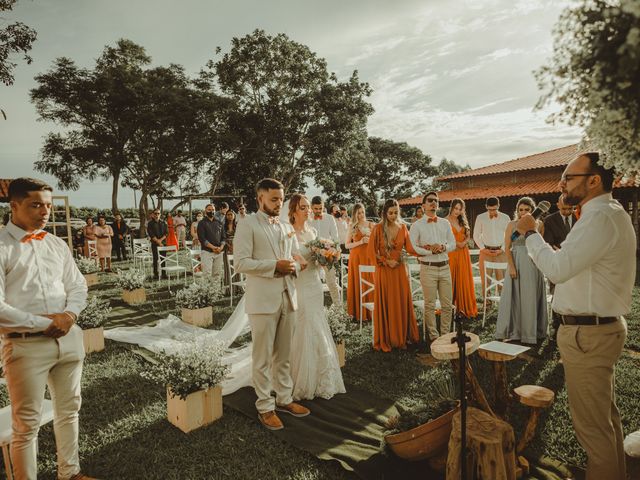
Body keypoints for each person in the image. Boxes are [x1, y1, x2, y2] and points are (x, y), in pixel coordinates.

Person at [515, 152, 634, 480]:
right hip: (598, 329)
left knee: (593, 432)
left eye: (568, 177)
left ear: (594, 180)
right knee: (606, 422)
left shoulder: (598, 217)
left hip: (588, 335)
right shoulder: (608, 214)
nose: (561, 183)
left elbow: (558, 269)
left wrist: (531, 234)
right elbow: (577, 265)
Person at [0, 178, 96, 480]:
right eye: (36, 204)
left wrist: (69, 315)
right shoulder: (2, 247)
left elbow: (77, 285)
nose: (45, 211)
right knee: (25, 426)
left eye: (48, 205)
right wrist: (46, 323)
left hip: (68, 340)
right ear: (14, 205)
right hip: (25, 346)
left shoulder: (56, 243)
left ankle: (70, 473)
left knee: (69, 411)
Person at [234, 178, 310, 431]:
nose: (279, 203)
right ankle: (265, 406)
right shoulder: (247, 225)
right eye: (274, 199)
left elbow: (295, 257)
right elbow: (241, 263)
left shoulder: (286, 225)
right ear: (260, 199)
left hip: (288, 296)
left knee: (284, 354)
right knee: (263, 357)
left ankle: (284, 398)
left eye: (281, 198)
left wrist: (296, 265)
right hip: (262, 300)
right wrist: (273, 267)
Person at [288, 193, 346, 400]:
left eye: (308, 207)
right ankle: (300, 377)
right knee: (303, 323)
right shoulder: (289, 233)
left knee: (317, 321)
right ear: (294, 210)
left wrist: (327, 257)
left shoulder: (313, 230)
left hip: (314, 282)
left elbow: (318, 257)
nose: (308, 210)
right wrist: (299, 264)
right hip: (300, 284)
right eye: (303, 207)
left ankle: (322, 374)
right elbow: (288, 261)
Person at [495, 197, 547, 345]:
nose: (523, 212)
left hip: (533, 263)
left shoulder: (539, 224)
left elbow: (540, 245)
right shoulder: (512, 224)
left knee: (530, 296)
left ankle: (532, 332)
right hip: (516, 262)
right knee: (515, 297)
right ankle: (515, 331)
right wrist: (511, 266)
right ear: (517, 211)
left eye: (527, 210)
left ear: (533, 210)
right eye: (521, 210)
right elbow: (507, 246)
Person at [369, 199, 419, 351]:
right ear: (385, 213)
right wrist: (385, 261)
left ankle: (402, 337)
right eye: (390, 213)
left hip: (399, 270)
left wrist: (427, 251)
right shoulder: (377, 228)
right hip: (384, 271)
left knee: (400, 301)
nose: (393, 215)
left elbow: (410, 248)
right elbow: (371, 252)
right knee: (387, 301)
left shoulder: (403, 227)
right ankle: (388, 338)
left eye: (396, 212)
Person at [409, 191, 456, 341]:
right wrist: (429, 251)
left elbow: (453, 244)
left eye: (435, 200)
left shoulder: (445, 223)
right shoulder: (416, 225)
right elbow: (413, 247)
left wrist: (442, 247)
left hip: (445, 267)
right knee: (429, 305)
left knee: (447, 305)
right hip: (428, 267)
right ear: (423, 206)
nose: (433, 203)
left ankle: (446, 336)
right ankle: (435, 338)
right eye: (430, 200)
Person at [543, 195, 578, 338]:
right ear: (557, 205)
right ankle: (557, 328)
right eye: (564, 209)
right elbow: (549, 243)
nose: (567, 212)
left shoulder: (580, 218)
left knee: (575, 296)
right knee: (557, 296)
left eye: (570, 209)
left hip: (577, 264)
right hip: (558, 263)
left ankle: (575, 327)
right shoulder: (549, 220)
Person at [473, 197, 510, 298]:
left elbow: (509, 235)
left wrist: (501, 249)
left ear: (498, 206)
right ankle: (487, 305)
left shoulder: (505, 217)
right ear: (486, 207)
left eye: (494, 209)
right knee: (486, 280)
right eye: (490, 209)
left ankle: (502, 304)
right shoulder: (480, 217)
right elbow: (476, 235)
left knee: (502, 280)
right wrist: (483, 249)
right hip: (485, 252)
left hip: (501, 252)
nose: (492, 212)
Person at [446, 198, 478, 319]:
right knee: (451, 279)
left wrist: (464, 242)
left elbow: (468, 236)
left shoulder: (462, 221)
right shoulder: (445, 221)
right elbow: (444, 237)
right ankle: (449, 307)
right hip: (452, 253)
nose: (457, 211)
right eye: (456, 208)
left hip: (463, 253)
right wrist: (456, 243)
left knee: (463, 278)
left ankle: (464, 307)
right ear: (452, 207)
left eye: (460, 209)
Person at [345, 203, 375, 321]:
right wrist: (361, 241)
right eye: (358, 213)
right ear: (355, 214)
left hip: (369, 257)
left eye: (362, 212)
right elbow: (347, 245)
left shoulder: (371, 225)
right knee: (358, 282)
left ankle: (370, 312)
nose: (361, 215)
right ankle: (358, 313)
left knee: (370, 281)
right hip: (356, 258)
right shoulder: (352, 226)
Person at [309, 196, 341, 304]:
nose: (318, 211)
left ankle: (338, 307)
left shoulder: (329, 218)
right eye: (316, 209)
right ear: (311, 207)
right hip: (312, 255)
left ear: (323, 207)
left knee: (332, 282)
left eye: (320, 208)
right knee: (313, 283)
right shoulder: (307, 219)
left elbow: (335, 237)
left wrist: (336, 250)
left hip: (328, 254)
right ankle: (316, 307)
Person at [198, 203, 226, 286]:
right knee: (207, 273)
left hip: (219, 252)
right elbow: (202, 239)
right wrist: (213, 248)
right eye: (209, 210)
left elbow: (223, 238)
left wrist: (221, 247)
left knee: (217, 274)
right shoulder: (202, 223)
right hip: (207, 252)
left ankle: (215, 292)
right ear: (205, 211)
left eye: (213, 210)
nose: (211, 211)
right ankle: (206, 293)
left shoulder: (219, 222)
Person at [147, 209, 168, 280]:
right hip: (154, 243)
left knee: (163, 259)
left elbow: (166, 233)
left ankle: (164, 273)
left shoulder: (164, 222)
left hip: (163, 243)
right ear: (153, 214)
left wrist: (161, 241)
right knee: (155, 259)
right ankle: (155, 274)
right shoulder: (150, 223)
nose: (156, 215)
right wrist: (158, 242)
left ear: (160, 214)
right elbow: (151, 234)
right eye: (155, 213)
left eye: (158, 213)